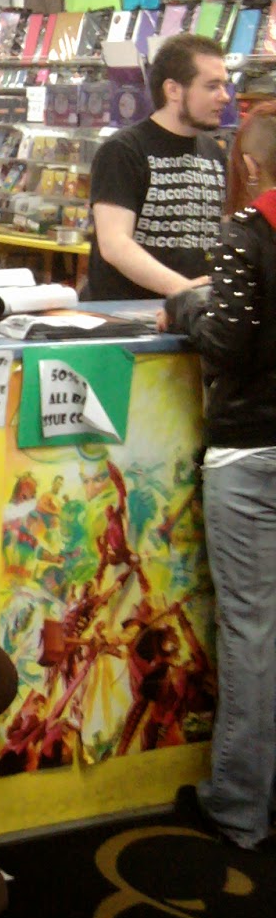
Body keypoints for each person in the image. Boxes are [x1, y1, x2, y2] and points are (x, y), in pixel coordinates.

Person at [161, 100, 276, 852]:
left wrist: (185, 309)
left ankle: (237, 806)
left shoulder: (246, 234)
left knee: (250, 629)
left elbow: (228, 344)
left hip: (250, 452)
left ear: (251, 164)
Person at [87, 32, 229, 300]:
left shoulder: (213, 152)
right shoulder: (124, 150)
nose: (225, 97)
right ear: (173, 90)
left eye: (224, 85)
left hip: (188, 314)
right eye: (212, 86)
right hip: (126, 315)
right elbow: (114, 243)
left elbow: (218, 235)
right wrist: (184, 290)